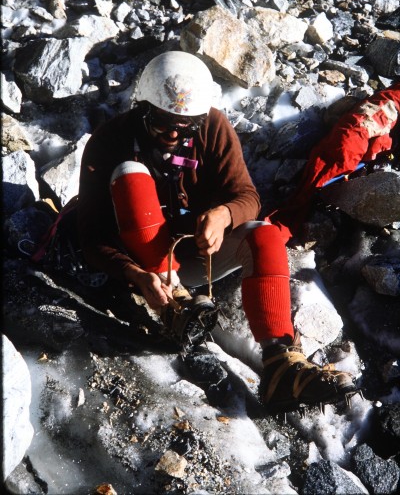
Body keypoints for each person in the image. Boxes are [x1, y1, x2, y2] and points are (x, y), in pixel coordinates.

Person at [77, 50, 356, 413]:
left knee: (265, 235)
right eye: (163, 122)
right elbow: (91, 235)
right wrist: (134, 273)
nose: (175, 134)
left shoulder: (211, 126)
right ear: (142, 108)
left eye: (187, 125)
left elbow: (247, 198)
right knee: (130, 173)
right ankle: (173, 305)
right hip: (146, 269)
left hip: (196, 254)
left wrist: (224, 215)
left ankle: (280, 363)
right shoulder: (109, 140)